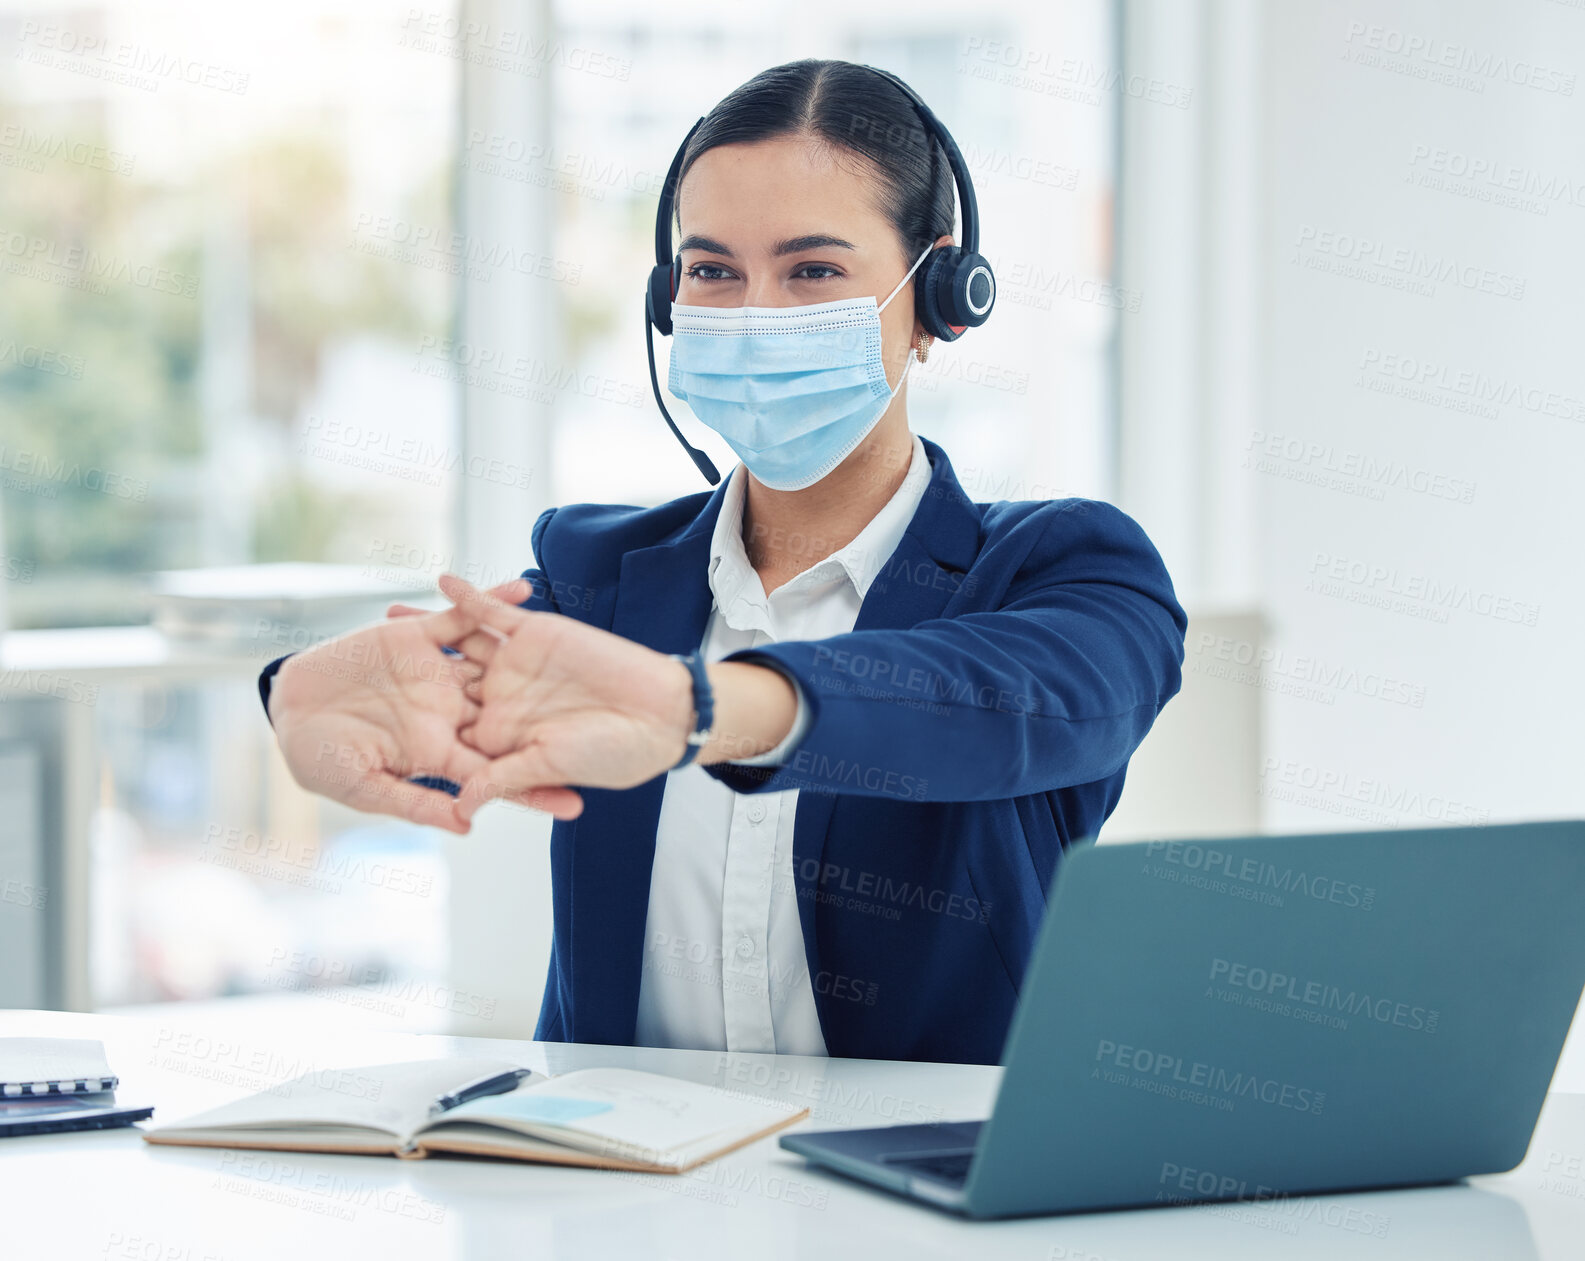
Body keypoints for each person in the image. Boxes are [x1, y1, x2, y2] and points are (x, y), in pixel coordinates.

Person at [258, 59, 1188, 1066]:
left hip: (928, 1208)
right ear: (667, 301)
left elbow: (992, 704)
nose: (753, 313)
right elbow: (435, 696)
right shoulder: (596, 574)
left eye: (813, 270)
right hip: (622, 1200)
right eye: (711, 271)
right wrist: (299, 697)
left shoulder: (1067, 572)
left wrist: (699, 708)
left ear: (941, 298)